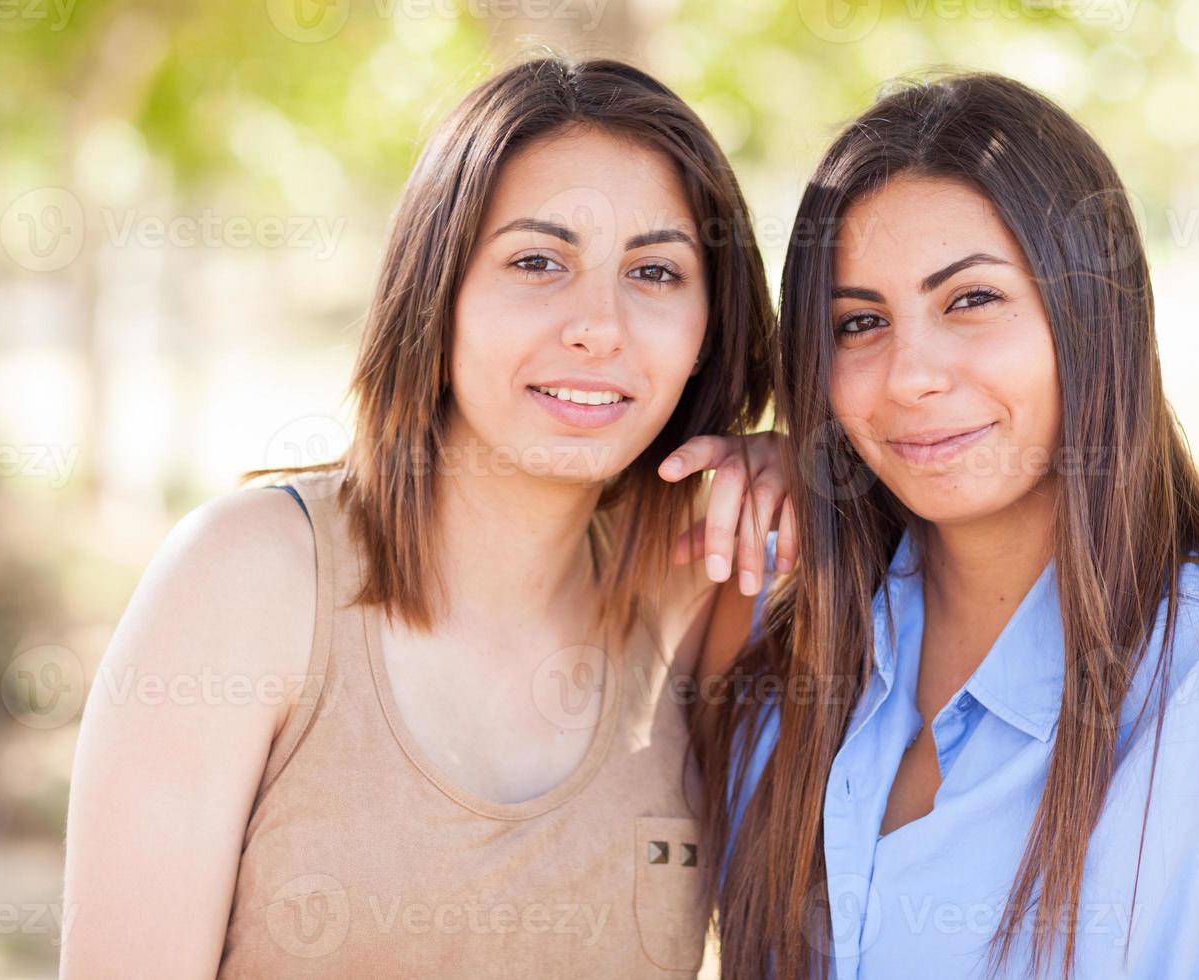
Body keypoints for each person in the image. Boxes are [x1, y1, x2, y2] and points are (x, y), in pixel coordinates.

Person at [61, 56, 796, 978]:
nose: (599, 324)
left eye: (655, 271)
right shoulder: (249, 583)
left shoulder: (699, 589)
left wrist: (802, 465)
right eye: (538, 260)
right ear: (435, 289)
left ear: (707, 330)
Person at [696, 72, 1199, 979]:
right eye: (860, 322)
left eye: (971, 300)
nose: (910, 376)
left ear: (1095, 313)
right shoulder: (775, 629)